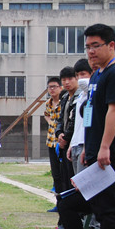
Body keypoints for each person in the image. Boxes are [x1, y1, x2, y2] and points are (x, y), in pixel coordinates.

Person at [54, 24, 115, 229]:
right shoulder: (98, 75)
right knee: (68, 202)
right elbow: (90, 117)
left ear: (111, 45)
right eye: (87, 46)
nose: (90, 51)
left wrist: (104, 147)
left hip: (112, 154)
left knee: (109, 207)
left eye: (96, 46)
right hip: (94, 155)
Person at [66, 58, 92, 176]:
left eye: (83, 74)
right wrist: (72, 144)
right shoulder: (80, 97)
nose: (80, 78)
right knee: (76, 181)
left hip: (84, 143)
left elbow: (88, 122)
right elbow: (78, 122)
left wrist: (87, 146)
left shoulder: (92, 96)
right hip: (76, 143)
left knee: (84, 180)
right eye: (77, 75)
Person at [44, 76, 65, 208]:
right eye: (49, 87)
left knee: (64, 174)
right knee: (55, 174)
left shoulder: (64, 101)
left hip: (62, 142)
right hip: (51, 141)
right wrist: (51, 123)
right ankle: (58, 203)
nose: (52, 89)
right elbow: (46, 114)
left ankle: (65, 203)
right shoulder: (48, 103)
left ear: (60, 88)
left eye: (54, 87)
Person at [55, 67, 77, 191]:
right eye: (63, 80)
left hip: (73, 142)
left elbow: (75, 121)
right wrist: (59, 133)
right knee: (65, 177)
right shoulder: (64, 98)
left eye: (70, 78)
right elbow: (60, 119)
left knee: (74, 177)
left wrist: (66, 137)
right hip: (63, 141)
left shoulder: (79, 97)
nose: (66, 82)